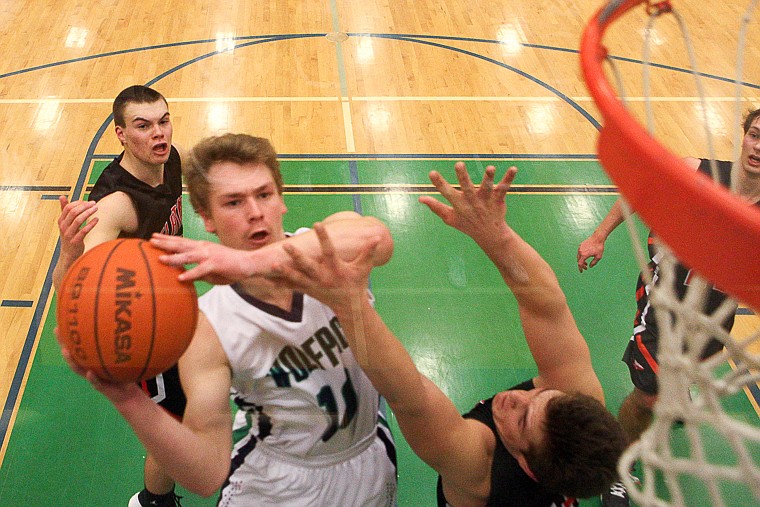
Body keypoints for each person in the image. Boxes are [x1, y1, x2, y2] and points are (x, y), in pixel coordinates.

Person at [154, 161, 627, 506]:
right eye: (538, 396)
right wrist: (495, 235)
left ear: (526, 463)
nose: (515, 398)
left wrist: (350, 303)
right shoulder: (576, 398)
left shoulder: (477, 467)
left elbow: (410, 394)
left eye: (521, 421)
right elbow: (546, 305)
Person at [59, 133, 398, 506]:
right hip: (278, 484)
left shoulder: (328, 250)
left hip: (370, 456)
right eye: (234, 202)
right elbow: (206, 474)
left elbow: (376, 237)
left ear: (281, 200)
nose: (255, 211)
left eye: (264, 194)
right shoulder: (209, 328)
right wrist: (127, 400)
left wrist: (250, 263)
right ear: (206, 218)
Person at [576, 108, 760, 506]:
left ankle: (674, 391)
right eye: (755, 135)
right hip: (663, 302)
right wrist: (598, 236)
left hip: (714, 317)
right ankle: (617, 467)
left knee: (676, 382)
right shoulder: (698, 171)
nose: (758, 147)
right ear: (743, 136)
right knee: (647, 398)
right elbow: (640, 188)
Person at [52, 85, 186, 507]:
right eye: (143, 126)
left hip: (172, 300)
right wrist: (72, 253)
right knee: (171, 423)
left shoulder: (171, 159)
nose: (158, 134)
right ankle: (151, 501)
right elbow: (73, 296)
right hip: (145, 331)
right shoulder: (114, 205)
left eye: (163, 121)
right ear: (121, 134)